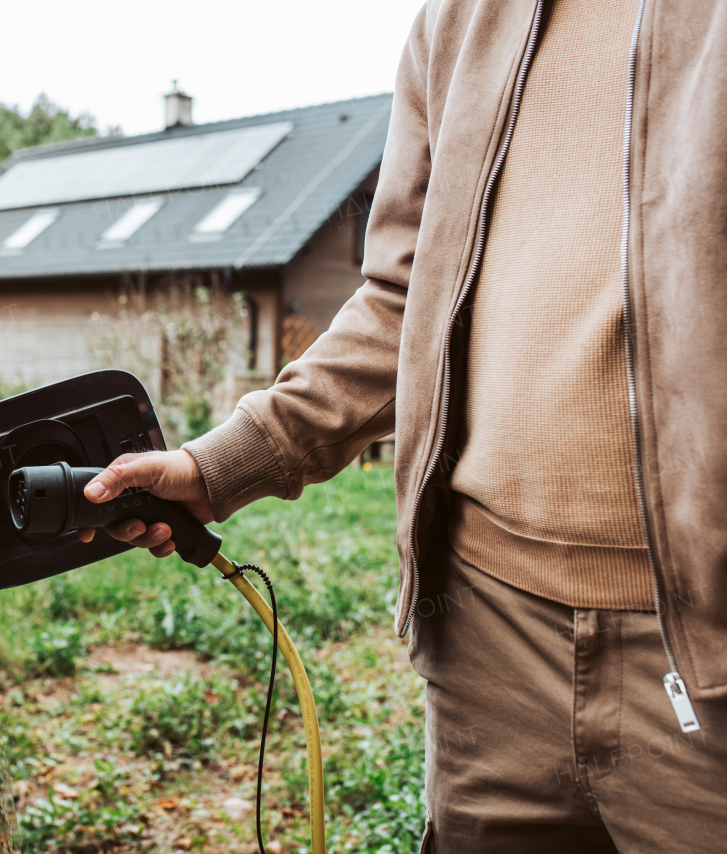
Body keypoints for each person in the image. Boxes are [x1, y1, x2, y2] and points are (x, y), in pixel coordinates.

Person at [77, 0, 727, 850]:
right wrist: (222, 463)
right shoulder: (459, 20)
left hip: (705, 647)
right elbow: (402, 300)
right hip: (489, 637)